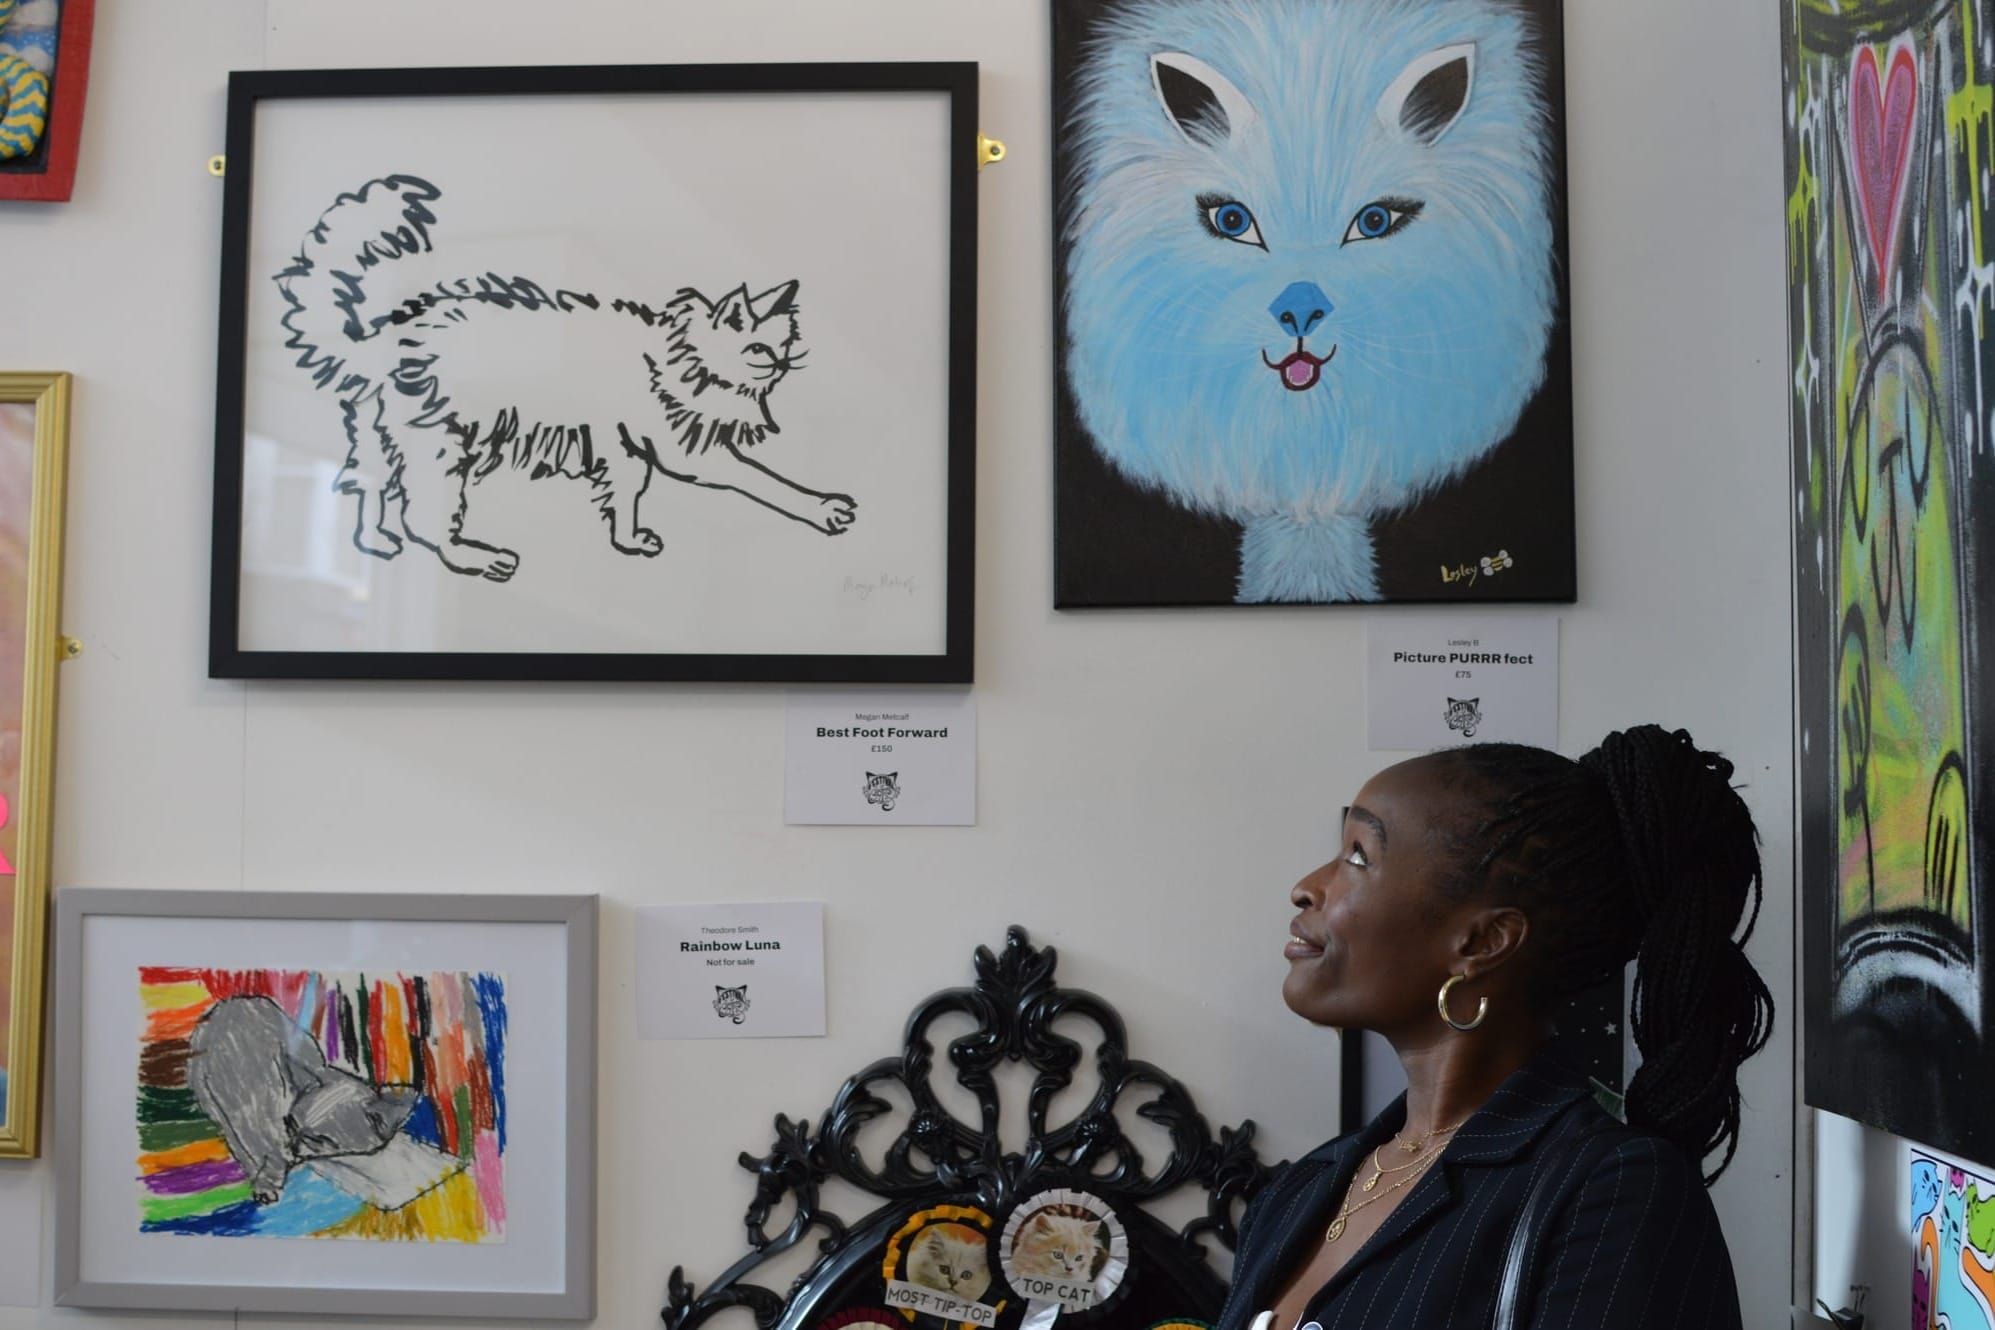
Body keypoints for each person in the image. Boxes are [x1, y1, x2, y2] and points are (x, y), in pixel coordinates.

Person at [1216, 726, 1773, 1330]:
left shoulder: (1613, 1196)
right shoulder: (1303, 1188)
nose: (1306, 888)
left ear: (1482, 942)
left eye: (1358, 856)